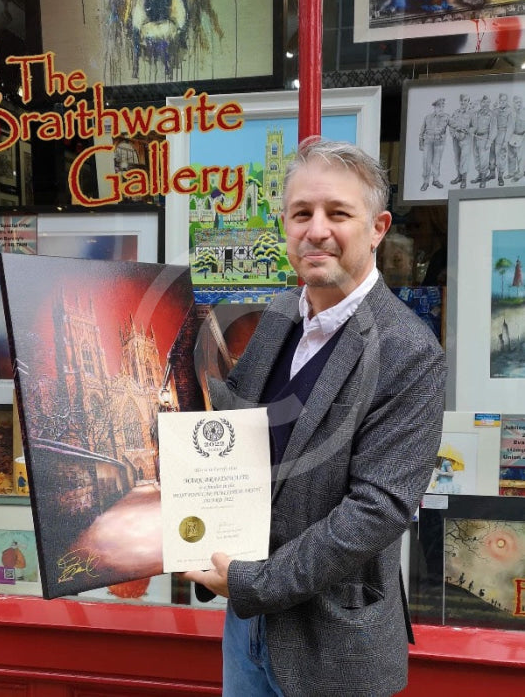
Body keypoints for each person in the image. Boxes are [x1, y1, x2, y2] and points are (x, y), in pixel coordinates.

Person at [185, 138, 446, 697]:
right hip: (247, 629)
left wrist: (252, 582)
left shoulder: (410, 350)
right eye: (301, 213)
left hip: (335, 646)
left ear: (377, 227)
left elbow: (377, 510)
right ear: (285, 224)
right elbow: (233, 428)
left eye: (338, 213)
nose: (316, 229)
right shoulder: (280, 314)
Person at [418, 97, 450, 191]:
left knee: (436, 162)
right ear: (435, 107)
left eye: (442, 106)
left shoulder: (446, 117)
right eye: (439, 106)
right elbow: (422, 131)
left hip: (439, 143)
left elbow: (453, 125)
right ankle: (426, 182)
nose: (441, 108)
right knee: (427, 163)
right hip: (428, 142)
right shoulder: (427, 117)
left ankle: (435, 180)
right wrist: (421, 143)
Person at [448, 93, 473, 189]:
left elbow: (474, 127)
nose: (463, 102)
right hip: (456, 138)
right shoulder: (455, 112)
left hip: (466, 139)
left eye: (466, 100)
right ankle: (458, 176)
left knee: (464, 159)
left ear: (468, 101)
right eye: (462, 100)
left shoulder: (471, 114)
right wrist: (453, 133)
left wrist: (468, 131)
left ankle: (464, 179)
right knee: (457, 159)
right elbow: (451, 124)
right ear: (460, 101)